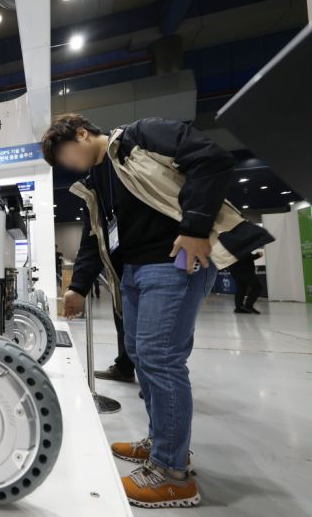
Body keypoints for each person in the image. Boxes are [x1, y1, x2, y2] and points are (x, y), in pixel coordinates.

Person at [42, 113, 273, 508]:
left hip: (173, 262)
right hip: (133, 272)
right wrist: (78, 287)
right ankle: (161, 442)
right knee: (141, 355)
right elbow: (95, 238)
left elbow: (211, 159)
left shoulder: (140, 137)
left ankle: (172, 474)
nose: (67, 166)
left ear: (81, 133)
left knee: (160, 358)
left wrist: (195, 227)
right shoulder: (96, 182)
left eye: (64, 155)